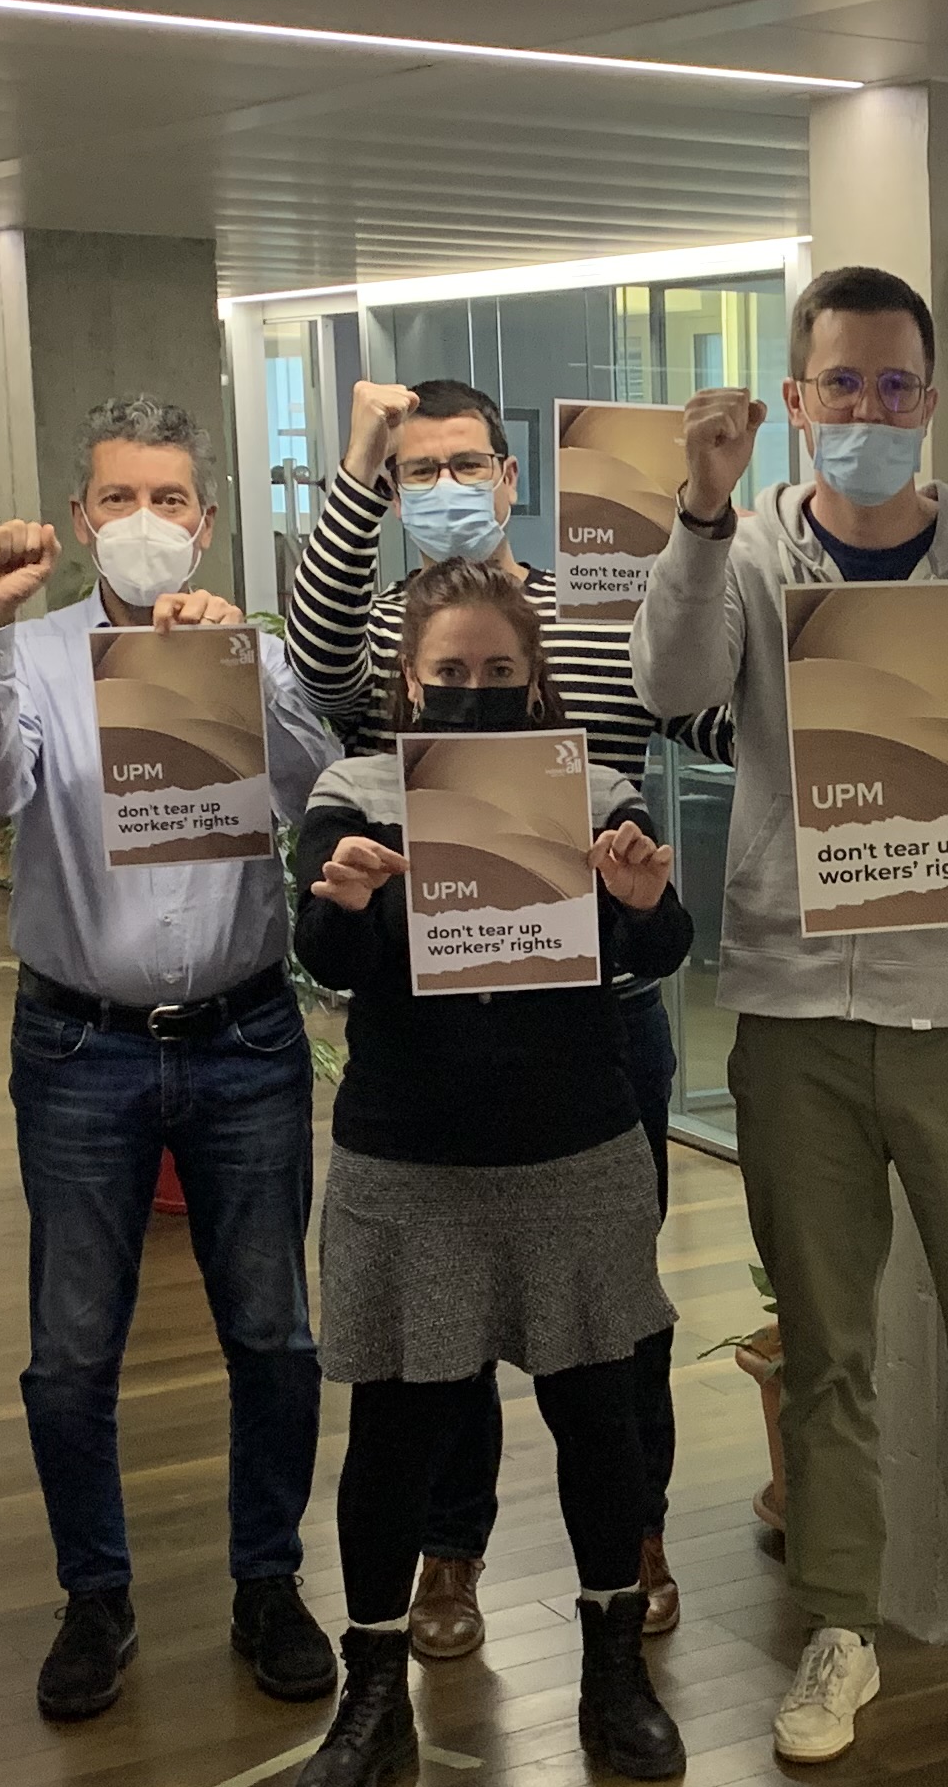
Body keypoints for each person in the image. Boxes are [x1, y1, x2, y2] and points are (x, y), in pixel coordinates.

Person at [637, 263, 948, 1767]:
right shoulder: (750, 555)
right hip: (796, 1014)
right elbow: (668, 684)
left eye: (896, 385)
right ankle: (839, 1624)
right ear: (796, 401)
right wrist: (701, 513)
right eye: (841, 384)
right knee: (830, 1349)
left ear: (931, 400)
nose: (869, 409)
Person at [282, 374, 722, 1661]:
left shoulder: (604, 623)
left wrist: (704, 516)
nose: (447, 490)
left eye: (466, 465)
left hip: (593, 1059)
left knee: (610, 1337)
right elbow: (327, 938)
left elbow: (696, 721)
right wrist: (358, 461)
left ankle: (634, 1549)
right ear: (408, 681)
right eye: (419, 471)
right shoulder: (365, 734)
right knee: (436, 1353)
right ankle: (450, 1553)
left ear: (512, 474)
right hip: (422, 1093)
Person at [0, 396, 341, 1727]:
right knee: (70, 1351)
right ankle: (94, 1594)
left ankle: (268, 1580)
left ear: (206, 521)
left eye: (169, 500)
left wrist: (247, 670)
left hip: (247, 1037)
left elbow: (319, 795)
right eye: (120, 499)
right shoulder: (32, 655)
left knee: (273, 1334)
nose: (145, 522)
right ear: (81, 519)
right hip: (81, 1044)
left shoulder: (247, 646)